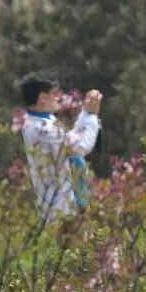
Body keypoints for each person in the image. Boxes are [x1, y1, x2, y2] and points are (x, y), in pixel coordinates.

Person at [19, 74, 103, 220]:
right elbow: (82, 146)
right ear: (42, 98)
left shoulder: (38, 121)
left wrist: (85, 113)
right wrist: (91, 115)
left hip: (58, 203)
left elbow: (69, 139)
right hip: (60, 209)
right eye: (54, 94)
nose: (58, 98)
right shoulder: (44, 130)